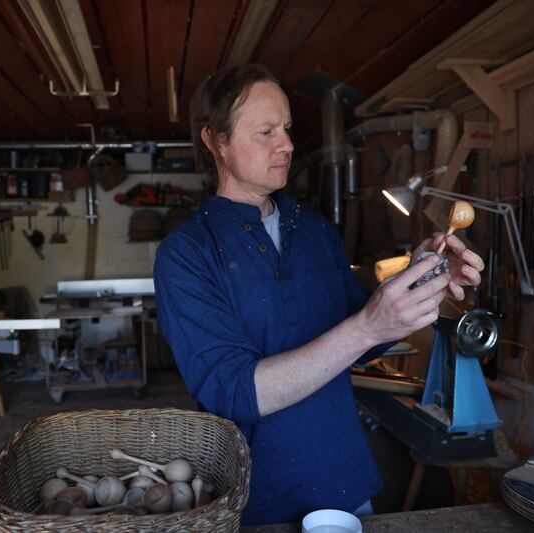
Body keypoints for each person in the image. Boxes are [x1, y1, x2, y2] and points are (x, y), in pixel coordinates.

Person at [153, 64, 484, 526]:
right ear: (216, 141)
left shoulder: (312, 230)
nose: (287, 144)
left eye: (286, 128)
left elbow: (365, 333)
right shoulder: (186, 253)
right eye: (266, 131)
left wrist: (421, 280)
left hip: (342, 483)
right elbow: (232, 391)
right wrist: (367, 324)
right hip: (251, 501)